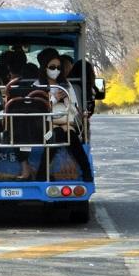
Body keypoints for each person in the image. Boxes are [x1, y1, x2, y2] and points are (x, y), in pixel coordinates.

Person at [26, 54, 93, 182]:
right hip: (45, 124)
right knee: (57, 133)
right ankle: (43, 173)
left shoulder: (66, 84)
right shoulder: (37, 85)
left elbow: (74, 108)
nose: (55, 70)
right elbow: (37, 109)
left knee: (69, 134)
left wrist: (66, 100)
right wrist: (54, 99)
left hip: (65, 120)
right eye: (52, 67)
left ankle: (86, 172)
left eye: (58, 67)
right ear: (45, 68)